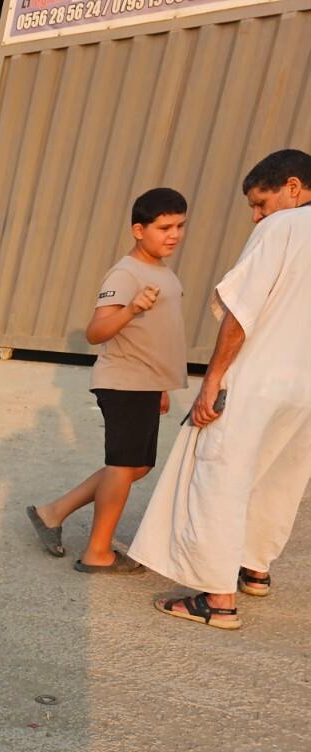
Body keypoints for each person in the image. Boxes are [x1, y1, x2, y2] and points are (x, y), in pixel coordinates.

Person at [130, 149, 311, 630]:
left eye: (260, 202)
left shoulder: (282, 228)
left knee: (219, 476)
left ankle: (218, 601)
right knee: (280, 476)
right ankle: (255, 569)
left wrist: (213, 380)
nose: (257, 215)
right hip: (305, 387)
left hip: (258, 379)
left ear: (293, 187)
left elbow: (241, 312)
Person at [27, 188, 190, 571]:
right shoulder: (126, 273)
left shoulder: (161, 270)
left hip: (146, 383)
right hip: (124, 381)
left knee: (136, 466)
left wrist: (162, 384)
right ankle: (97, 553)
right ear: (138, 229)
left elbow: (158, 336)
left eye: (180, 226)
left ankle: (54, 512)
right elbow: (97, 331)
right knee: (122, 465)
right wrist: (132, 308)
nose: (174, 234)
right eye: (164, 226)